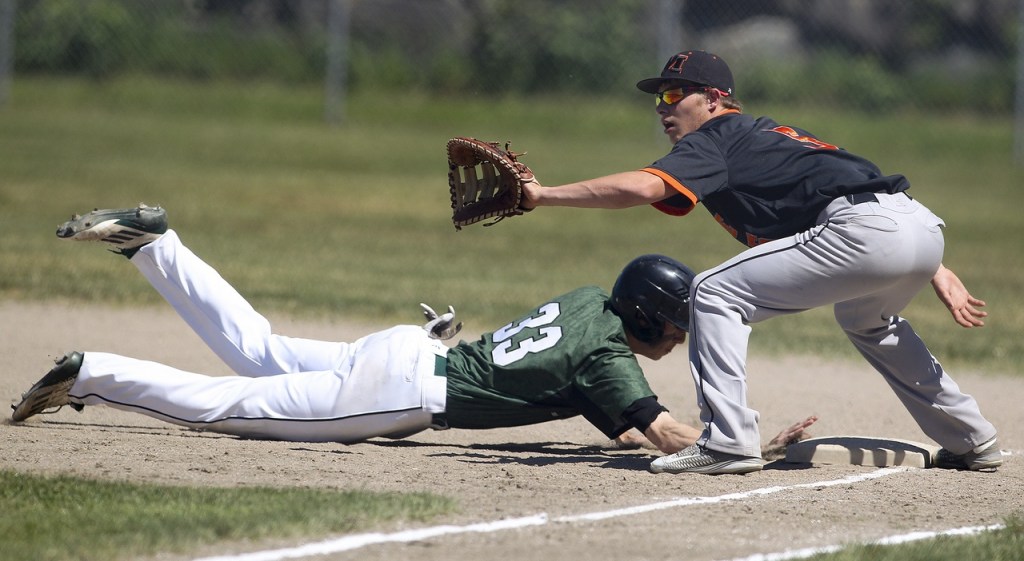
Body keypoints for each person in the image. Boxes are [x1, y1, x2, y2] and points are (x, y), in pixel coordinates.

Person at [10, 204, 815, 469]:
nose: (678, 339)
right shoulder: (606, 357)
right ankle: (95, 374)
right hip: (395, 390)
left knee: (255, 345)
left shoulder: (586, 305)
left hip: (408, 351)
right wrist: (749, 443)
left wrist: (642, 426)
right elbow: (667, 434)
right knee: (227, 405)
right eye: (675, 328)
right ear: (643, 318)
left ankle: (155, 245)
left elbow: (605, 410)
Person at [520, 50, 1001, 474]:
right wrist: (931, 263)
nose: (663, 109)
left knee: (711, 291)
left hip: (871, 231)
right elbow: (848, 181)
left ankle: (726, 442)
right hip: (913, 225)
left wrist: (542, 196)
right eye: (659, 98)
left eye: (674, 96)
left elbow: (642, 188)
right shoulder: (768, 134)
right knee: (865, 318)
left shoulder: (716, 135)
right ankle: (972, 439)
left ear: (712, 99)